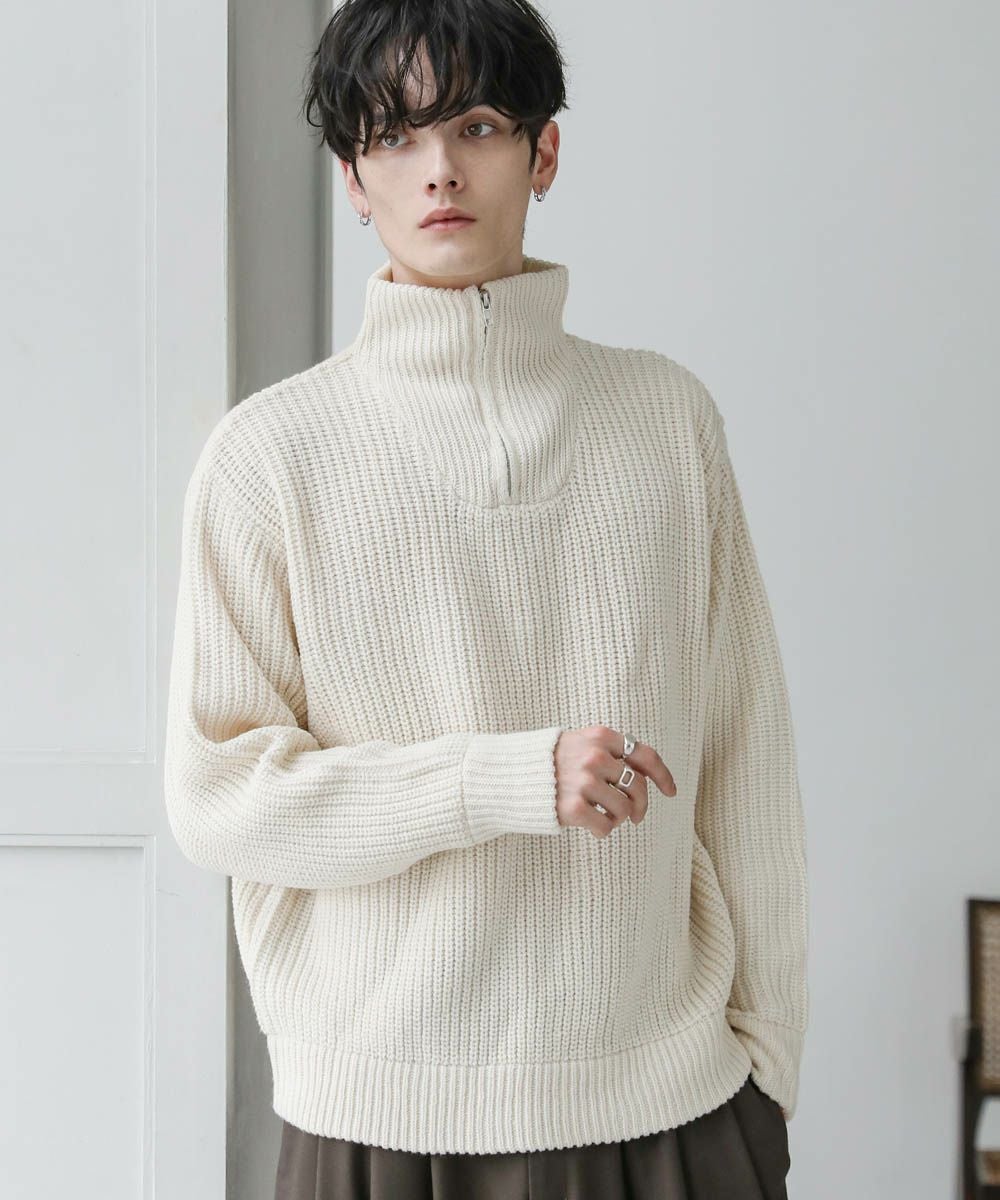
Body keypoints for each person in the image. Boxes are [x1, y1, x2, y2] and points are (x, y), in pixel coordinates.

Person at [163, 0, 809, 1195]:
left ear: (542, 152)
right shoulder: (271, 457)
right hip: (378, 1118)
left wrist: (769, 1066)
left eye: (474, 125)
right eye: (394, 136)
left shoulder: (666, 421)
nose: (439, 171)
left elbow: (744, 753)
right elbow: (220, 802)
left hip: (666, 1106)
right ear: (352, 177)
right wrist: (500, 781)